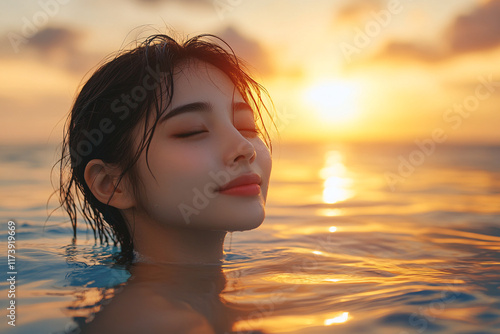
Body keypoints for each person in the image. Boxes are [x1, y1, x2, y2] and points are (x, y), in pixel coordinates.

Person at [58, 33, 274, 333]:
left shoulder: (184, 306)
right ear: (112, 183)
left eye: (247, 126)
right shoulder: (158, 323)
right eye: (192, 131)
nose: (245, 147)